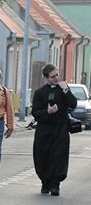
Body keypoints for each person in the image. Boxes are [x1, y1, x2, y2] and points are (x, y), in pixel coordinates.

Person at [32, 64, 77, 196]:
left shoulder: (63, 89)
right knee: (43, 155)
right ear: (46, 77)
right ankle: (45, 183)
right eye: (53, 76)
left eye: (57, 75)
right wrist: (48, 112)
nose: (56, 78)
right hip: (44, 130)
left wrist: (66, 90)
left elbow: (73, 104)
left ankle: (55, 184)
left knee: (58, 157)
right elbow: (35, 112)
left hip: (60, 129)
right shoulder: (40, 93)